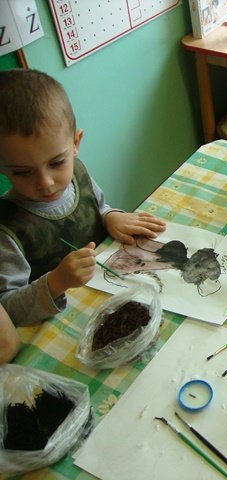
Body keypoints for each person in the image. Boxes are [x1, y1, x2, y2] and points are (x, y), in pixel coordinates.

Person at [0, 69, 166, 326]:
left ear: (75, 143)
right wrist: (56, 282)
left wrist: (110, 216)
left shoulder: (77, 173)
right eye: (22, 172)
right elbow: (7, 312)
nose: (45, 182)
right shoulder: (6, 228)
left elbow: (98, 207)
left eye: (57, 162)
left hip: (116, 296)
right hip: (63, 326)